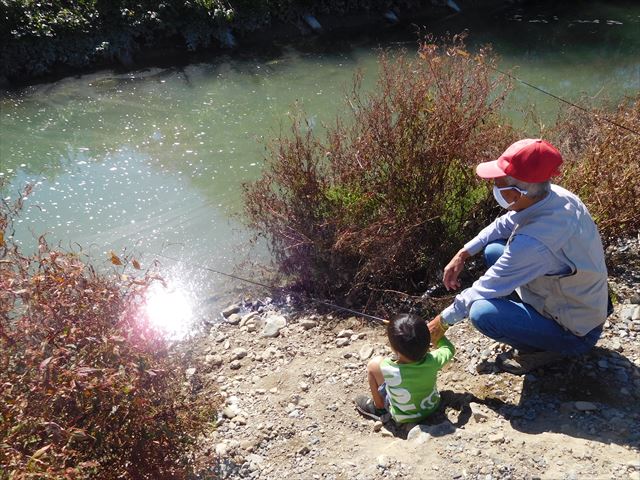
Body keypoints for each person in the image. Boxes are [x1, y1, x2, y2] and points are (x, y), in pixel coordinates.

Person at [427, 138, 609, 375]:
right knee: (493, 250)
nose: (494, 185)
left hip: (576, 331)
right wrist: (464, 252)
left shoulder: (535, 242)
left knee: (482, 313)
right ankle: (534, 322)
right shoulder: (552, 196)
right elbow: (503, 224)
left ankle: (550, 349)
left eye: (498, 182)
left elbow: (485, 288)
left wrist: (440, 322)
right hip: (583, 303)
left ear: (517, 192)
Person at [355, 313, 455, 423]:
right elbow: (449, 348)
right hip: (431, 407)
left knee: (373, 365)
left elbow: (385, 363)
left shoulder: (387, 366)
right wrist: (437, 336)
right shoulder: (434, 360)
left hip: (402, 417)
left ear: (393, 348)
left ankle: (378, 408)